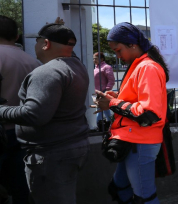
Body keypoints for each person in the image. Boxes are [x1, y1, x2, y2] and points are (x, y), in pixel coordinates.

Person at [0, 22, 89, 204]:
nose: (34, 46)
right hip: (70, 146)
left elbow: (35, 115)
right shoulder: (77, 66)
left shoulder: (47, 72)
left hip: (51, 155)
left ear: (45, 44)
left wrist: (1, 110)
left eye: (37, 41)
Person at [95, 22, 169, 204]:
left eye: (119, 50)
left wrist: (112, 102)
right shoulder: (139, 65)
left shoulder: (147, 67)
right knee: (119, 188)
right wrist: (117, 97)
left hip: (140, 141)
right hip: (131, 139)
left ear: (133, 45)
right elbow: (138, 100)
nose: (117, 56)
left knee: (145, 197)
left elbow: (148, 113)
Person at [0, 16, 40, 204]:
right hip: (25, 132)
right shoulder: (33, 63)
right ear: (17, 36)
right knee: (21, 186)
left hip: (2, 131)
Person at [93, 52, 115, 130]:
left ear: (101, 59)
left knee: (102, 109)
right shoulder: (96, 68)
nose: (94, 60)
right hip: (97, 92)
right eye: (93, 58)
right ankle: (107, 125)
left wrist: (107, 90)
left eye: (95, 58)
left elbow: (111, 80)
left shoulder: (106, 67)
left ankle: (103, 125)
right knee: (103, 110)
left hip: (103, 92)